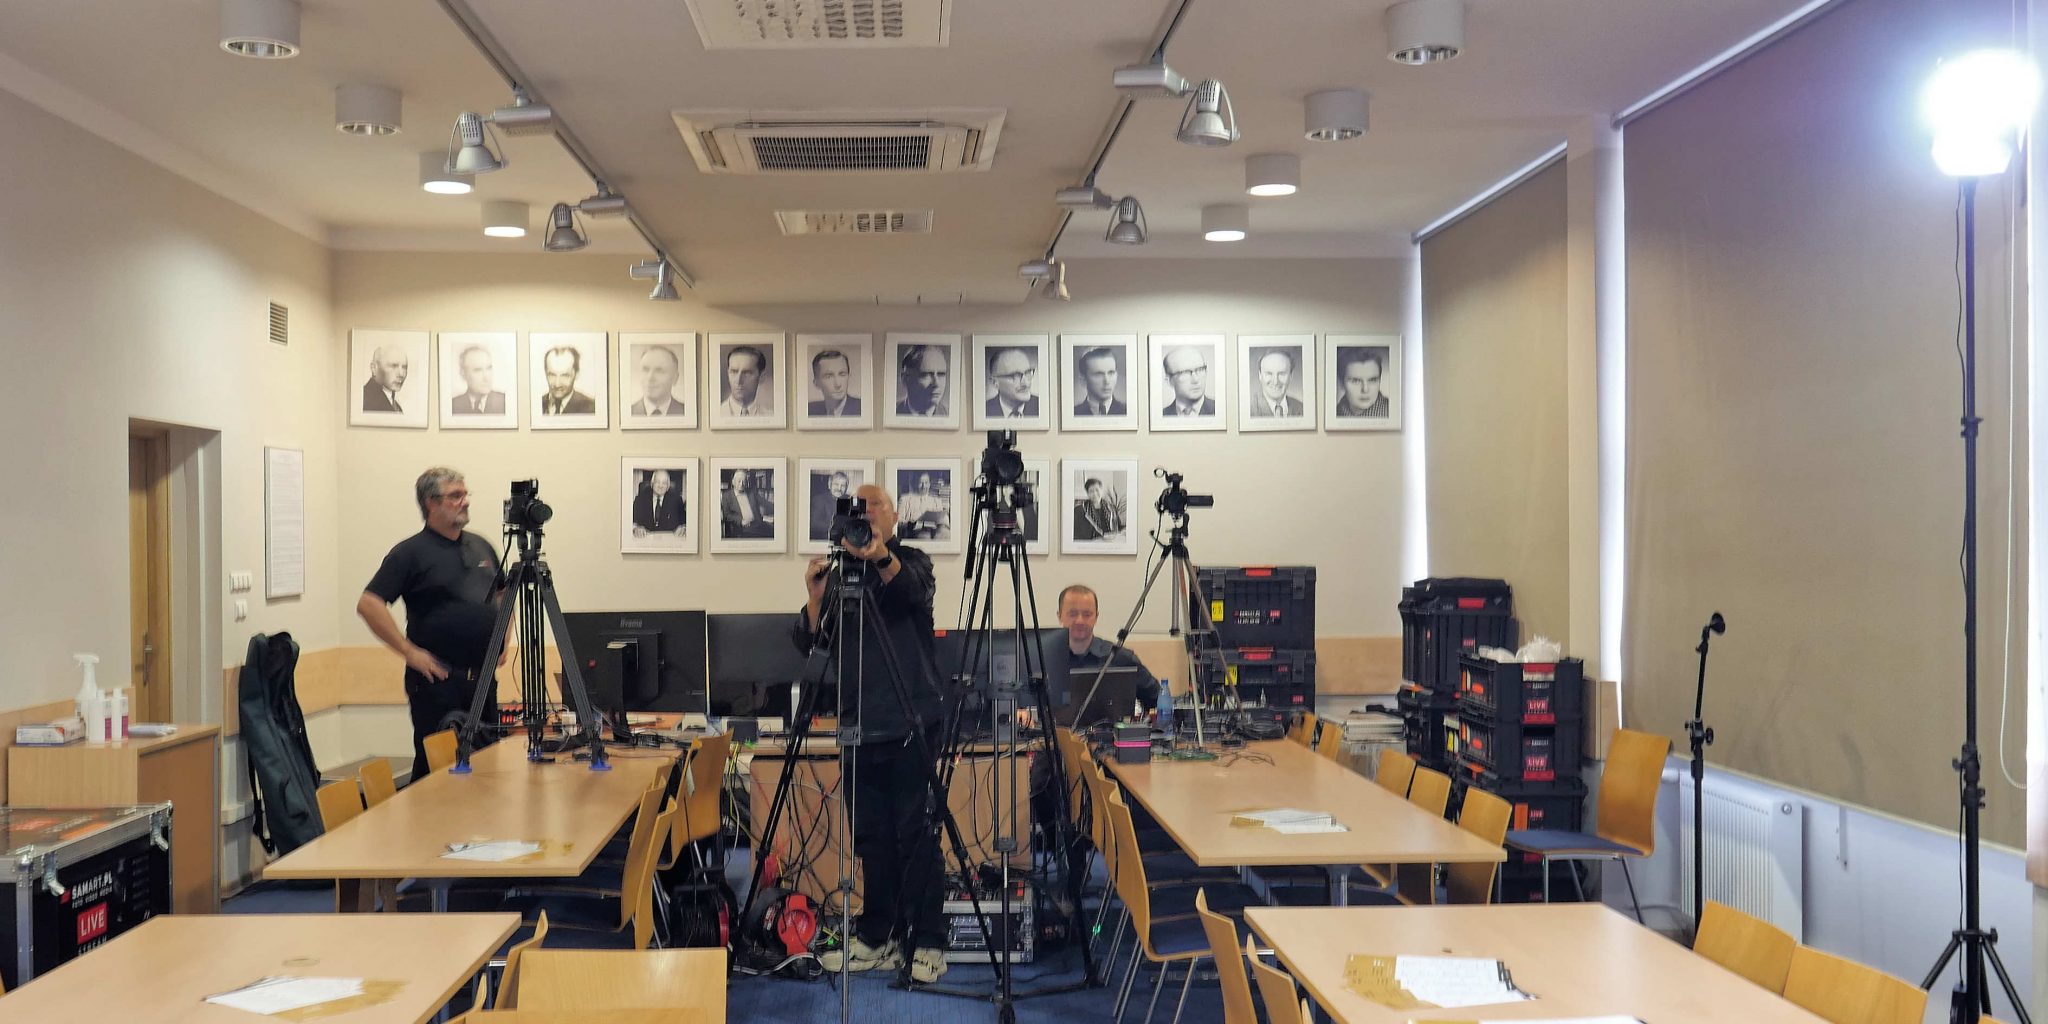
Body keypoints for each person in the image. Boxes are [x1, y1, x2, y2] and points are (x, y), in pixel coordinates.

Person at [791, 484, 950, 984]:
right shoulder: (840, 576)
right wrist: (816, 597)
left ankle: (927, 941)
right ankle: (879, 935)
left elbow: (911, 594)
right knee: (872, 839)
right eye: (857, 508)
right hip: (858, 725)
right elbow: (812, 643)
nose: (866, 514)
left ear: (893, 516)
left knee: (916, 836)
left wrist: (879, 555)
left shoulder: (912, 561)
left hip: (910, 723)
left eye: (874, 505)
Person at [357, 468, 506, 781]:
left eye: (465, 494)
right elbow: (369, 604)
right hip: (438, 683)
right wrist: (409, 652)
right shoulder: (410, 553)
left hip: (482, 681)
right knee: (438, 774)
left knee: (487, 770)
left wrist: (505, 635)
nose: (465, 501)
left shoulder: (481, 546)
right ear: (431, 503)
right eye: (455, 496)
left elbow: (503, 593)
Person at [628, 346, 687, 417]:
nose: (650, 378)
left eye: (659, 371)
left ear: (675, 378)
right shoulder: (628, 412)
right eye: (645, 370)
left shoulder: (687, 411)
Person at [983, 347, 1039, 419]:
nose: (1025, 383)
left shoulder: (1040, 406)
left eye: (1028, 373)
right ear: (995, 382)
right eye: (1015, 376)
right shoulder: (985, 411)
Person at [450, 345, 507, 415]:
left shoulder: (505, 402)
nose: (486, 377)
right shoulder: (453, 406)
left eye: (489, 368)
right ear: (463, 374)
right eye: (478, 370)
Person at [539, 346, 597, 415]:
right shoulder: (536, 404)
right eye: (552, 375)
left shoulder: (591, 408)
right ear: (545, 373)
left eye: (565, 375)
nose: (557, 384)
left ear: (576, 374)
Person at [1160, 346, 1216, 417]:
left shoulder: (1220, 410)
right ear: (1169, 381)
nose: (1195, 380)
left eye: (1200, 370)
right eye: (1185, 373)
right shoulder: (1162, 415)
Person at [895, 344, 949, 417]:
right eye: (926, 375)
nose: (936, 383)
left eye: (941, 374)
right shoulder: (891, 412)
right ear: (905, 379)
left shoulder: (950, 414)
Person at [1334, 349, 1391, 417]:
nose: (1365, 389)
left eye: (1372, 380)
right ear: (1342, 383)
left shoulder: (1391, 412)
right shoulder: (1334, 412)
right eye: (1356, 381)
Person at [1072, 347, 1126, 417]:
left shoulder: (1127, 411)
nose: (1107, 381)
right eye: (1098, 374)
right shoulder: (1074, 413)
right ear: (1083, 380)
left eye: (1111, 373)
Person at [1249, 349, 1304, 417]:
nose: (1275, 382)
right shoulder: (1248, 409)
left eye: (1281, 374)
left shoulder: (1301, 407)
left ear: (1291, 376)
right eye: (1269, 373)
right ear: (1260, 375)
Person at [721, 346, 773, 417]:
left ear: (761, 377)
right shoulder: (717, 414)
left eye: (747, 373)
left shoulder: (770, 416)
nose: (738, 380)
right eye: (734, 372)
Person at [807, 349, 862, 417]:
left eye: (842, 374)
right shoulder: (809, 410)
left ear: (849, 377)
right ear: (816, 383)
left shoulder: (862, 408)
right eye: (829, 376)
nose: (838, 384)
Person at [631, 469, 685, 537]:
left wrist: (682, 528)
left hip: (669, 540)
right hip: (645, 539)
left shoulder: (677, 500)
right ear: (652, 483)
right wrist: (635, 528)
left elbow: (683, 522)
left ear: (668, 486)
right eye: (657, 482)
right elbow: (632, 520)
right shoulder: (640, 499)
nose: (660, 486)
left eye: (664, 483)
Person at [721, 470, 772, 539]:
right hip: (742, 528)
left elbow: (765, 502)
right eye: (739, 481)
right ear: (733, 482)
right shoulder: (726, 496)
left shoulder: (751, 492)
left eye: (744, 481)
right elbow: (727, 515)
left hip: (758, 524)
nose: (741, 484)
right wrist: (741, 521)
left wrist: (778, 509)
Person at [361, 345, 410, 413]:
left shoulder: (395, 405)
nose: (401, 374)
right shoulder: (365, 400)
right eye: (394, 366)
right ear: (374, 368)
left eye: (404, 367)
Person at [898, 472, 946, 538]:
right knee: (925, 535)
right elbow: (898, 522)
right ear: (915, 483)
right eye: (921, 483)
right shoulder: (905, 499)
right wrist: (910, 524)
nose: (924, 486)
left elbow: (942, 520)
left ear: (929, 484)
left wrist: (941, 524)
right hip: (914, 531)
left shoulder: (936, 501)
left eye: (926, 483)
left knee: (946, 533)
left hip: (935, 531)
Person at [810, 471, 852, 541]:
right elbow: (814, 523)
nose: (839, 488)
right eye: (836, 484)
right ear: (829, 485)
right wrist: (838, 527)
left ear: (846, 488)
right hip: (824, 539)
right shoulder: (819, 500)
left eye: (843, 486)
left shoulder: (849, 499)